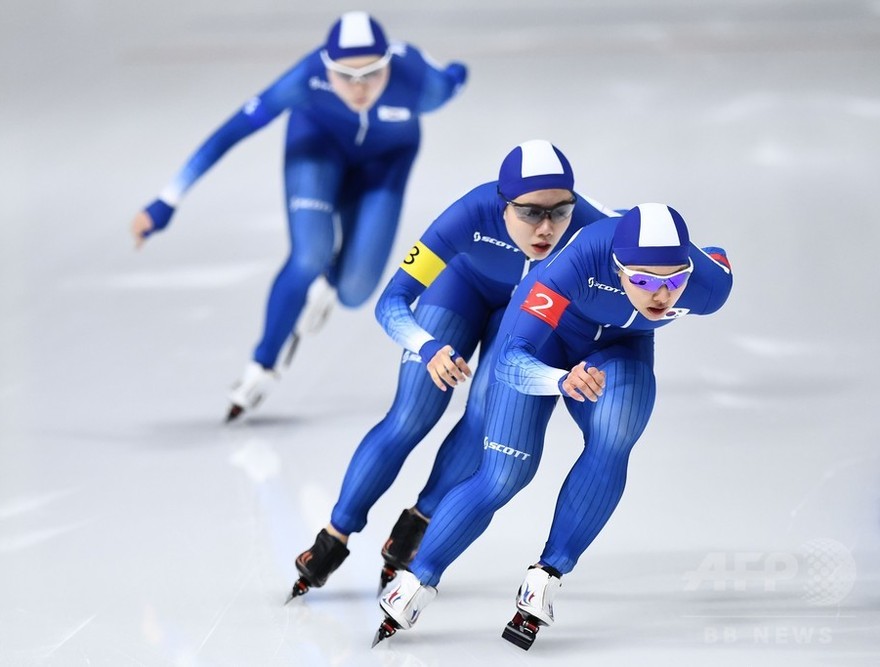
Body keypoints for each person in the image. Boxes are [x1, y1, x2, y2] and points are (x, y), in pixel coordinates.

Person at [373, 202, 734, 648]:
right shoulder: (575, 265)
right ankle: (416, 579)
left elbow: (715, 258)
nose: (660, 296)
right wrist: (559, 380)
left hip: (620, 348)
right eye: (642, 281)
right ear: (617, 267)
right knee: (503, 476)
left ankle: (547, 573)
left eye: (674, 281)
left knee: (617, 432)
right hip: (540, 343)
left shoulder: (708, 288)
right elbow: (508, 361)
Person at [286, 140, 619, 602]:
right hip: (459, 291)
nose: (546, 228)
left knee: (485, 413)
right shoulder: (468, 213)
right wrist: (426, 346)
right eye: (529, 213)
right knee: (412, 413)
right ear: (502, 205)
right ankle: (334, 535)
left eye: (560, 212)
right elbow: (391, 300)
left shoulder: (592, 227)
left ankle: (421, 519)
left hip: (524, 313)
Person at [129, 12, 467, 420]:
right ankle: (264, 364)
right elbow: (232, 130)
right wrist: (168, 200)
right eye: (345, 76)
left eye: (372, 75)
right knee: (309, 253)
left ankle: (331, 279)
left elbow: (453, 77)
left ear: (388, 66)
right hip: (316, 152)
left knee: (356, 291)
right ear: (327, 67)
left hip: (386, 164)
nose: (358, 89)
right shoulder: (306, 76)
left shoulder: (420, 83)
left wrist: (454, 72)